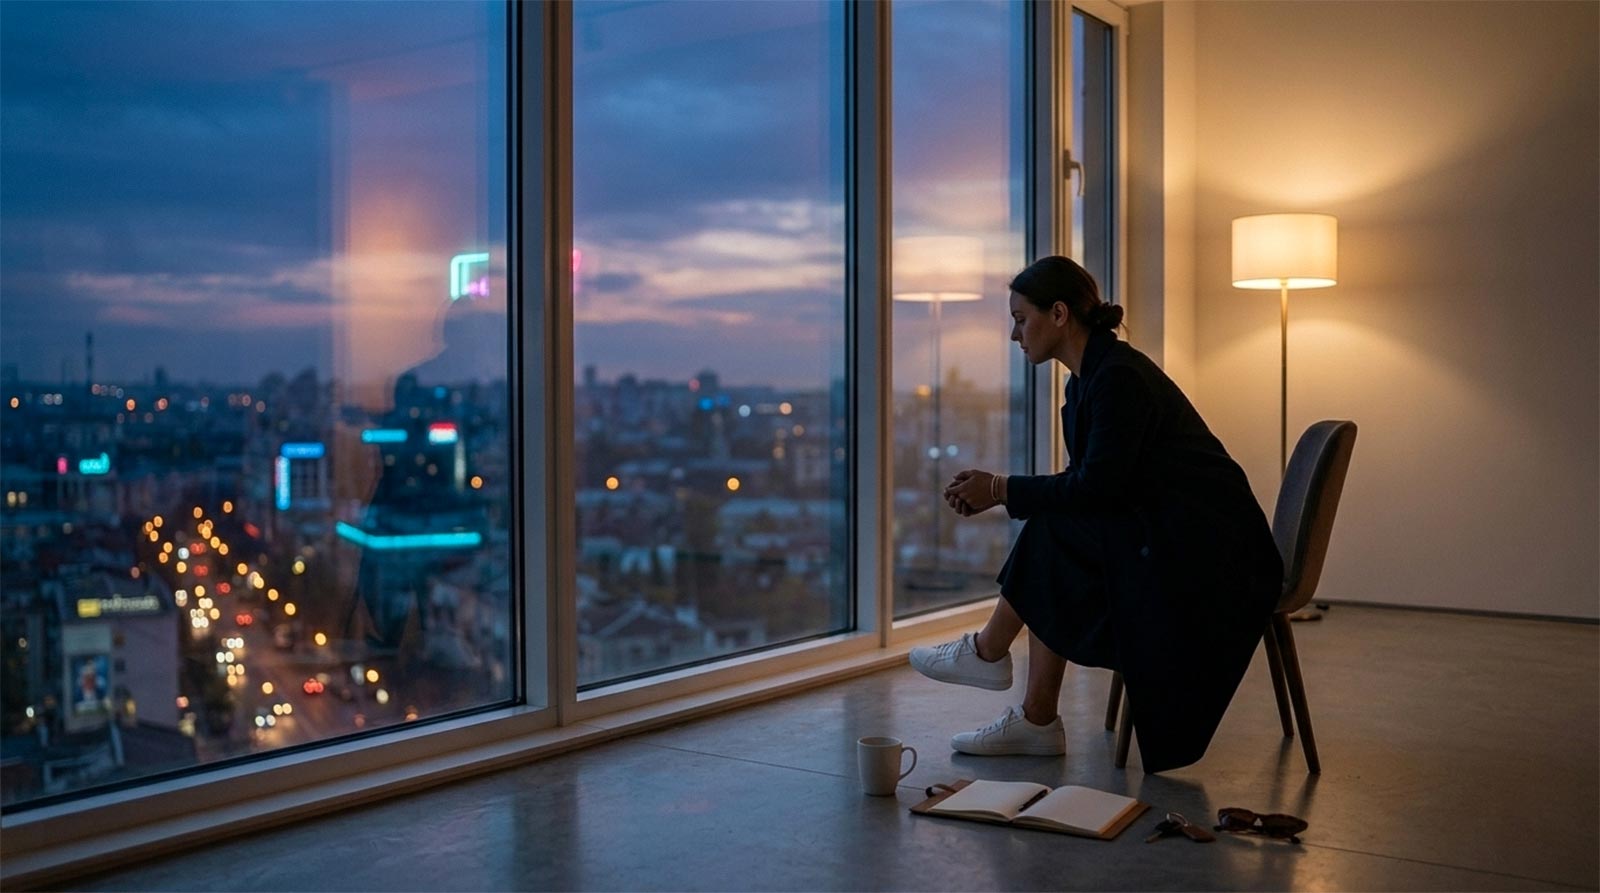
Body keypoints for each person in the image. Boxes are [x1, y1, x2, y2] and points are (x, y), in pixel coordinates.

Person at [909, 255, 1283, 773]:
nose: (1014, 335)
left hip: (1213, 554)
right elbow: (1091, 489)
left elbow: (1097, 489)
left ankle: (999, 665)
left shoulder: (1118, 379)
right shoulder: (1090, 380)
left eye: (1021, 318)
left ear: (1059, 314)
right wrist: (1002, 490)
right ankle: (1021, 699)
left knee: (1055, 530)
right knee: (1055, 530)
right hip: (1177, 531)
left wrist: (999, 488)